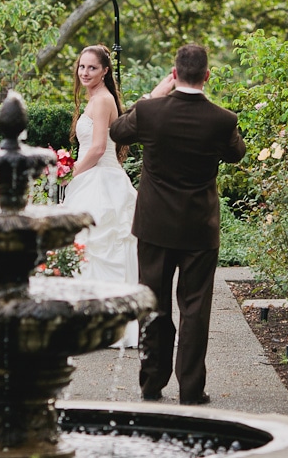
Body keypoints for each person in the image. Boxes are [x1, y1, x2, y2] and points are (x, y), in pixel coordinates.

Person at [109, 43, 247, 405]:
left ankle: (151, 385)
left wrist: (152, 95)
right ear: (207, 75)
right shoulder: (223, 120)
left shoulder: (151, 112)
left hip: (154, 228)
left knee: (153, 305)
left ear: (174, 73)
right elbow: (237, 154)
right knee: (195, 309)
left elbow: (117, 132)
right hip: (199, 229)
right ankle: (190, 390)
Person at [62, 44, 140, 348]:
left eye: (92, 68)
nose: (85, 73)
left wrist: (71, 173)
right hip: (95, 176)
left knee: (99, 245)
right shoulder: (97, 98)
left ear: (105, 71)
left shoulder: (102, 100)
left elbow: (96, 148)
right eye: (82, 67)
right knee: (86, 247)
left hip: (100, 178)